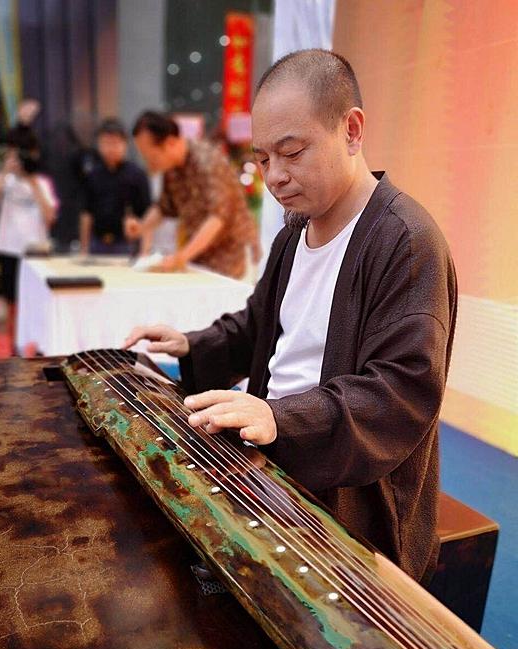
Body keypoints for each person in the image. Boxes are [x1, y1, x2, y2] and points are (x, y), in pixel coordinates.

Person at [124, 49, 458, 586]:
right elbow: (259, 327)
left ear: (351, 131)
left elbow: (401, 391)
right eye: (262, 159)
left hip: (347, 491)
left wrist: (283, 419)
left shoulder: (405, 241)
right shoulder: (293, 233)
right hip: (273, 452)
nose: (275, 177)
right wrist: (191, 344)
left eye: (292, 152)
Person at [126, 111, 260, 278]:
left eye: (151, 157)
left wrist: (181, 257)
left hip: (231, 257)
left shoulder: (207, 161)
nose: (149, 164)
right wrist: (142, 227)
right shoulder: (171, 169)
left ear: (170, 143)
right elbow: (164, 208)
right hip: (199, 257)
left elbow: (217, 218)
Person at [0, 144, 57, 341]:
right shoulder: (4, 181)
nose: (18, 163)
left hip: (35, 251)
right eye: (14, 158)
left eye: (20, 159)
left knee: (36, 298)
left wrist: (33, 183)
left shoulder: (41, 182)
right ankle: (12, 342)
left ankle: (36, 341)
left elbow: (50, 217)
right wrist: (4, 173)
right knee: (11, 300)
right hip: (9, 248)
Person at [79, 118, 150, 256]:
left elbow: (147, 215)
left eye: (115, 143)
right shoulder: (93, 175)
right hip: (97, 242)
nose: (111, 148)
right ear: (98, 144)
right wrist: (84, 248)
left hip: (126, 243)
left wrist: (145, 251)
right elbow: (86, 214)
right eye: (106, 143)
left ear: (125, 144)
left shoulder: (137, 175)